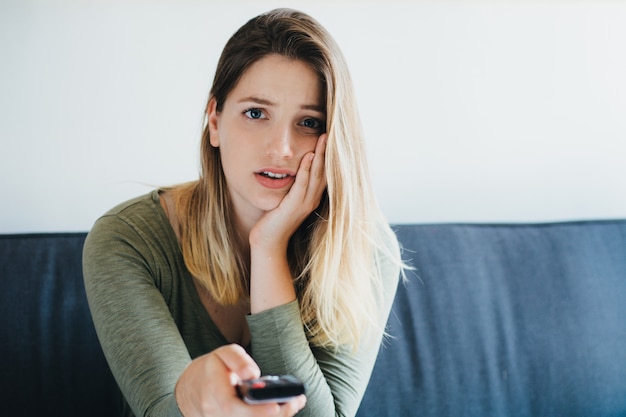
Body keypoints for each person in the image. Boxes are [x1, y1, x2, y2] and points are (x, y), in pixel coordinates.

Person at [83, 8, 404, 417]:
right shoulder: (127, 240)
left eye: (308, 122)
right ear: (214, 121)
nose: (281, 149)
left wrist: (268, 249)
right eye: (256, 113)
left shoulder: (365, 249)